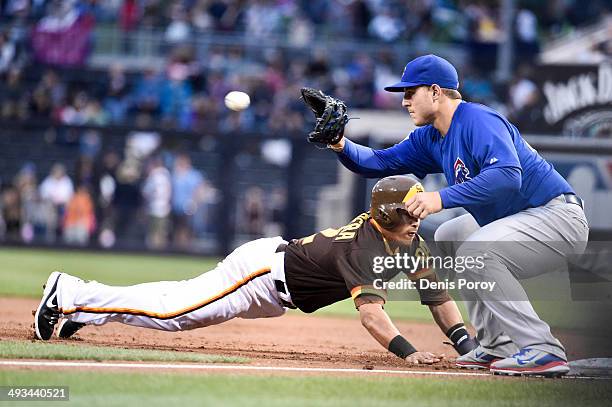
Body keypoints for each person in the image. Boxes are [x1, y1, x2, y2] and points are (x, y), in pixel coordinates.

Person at [319, 54, 589, 377]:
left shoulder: (477, 120)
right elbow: (378, 161)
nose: (404, 101)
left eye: (410, 92)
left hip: (557, 216)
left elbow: (507, 176)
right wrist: (339, 143)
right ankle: (495, 344)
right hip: (521, 217)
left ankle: (543, 348)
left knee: (478, 250)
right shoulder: (432, 136)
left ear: (435, 92)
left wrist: (439, 198)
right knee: (451, 235)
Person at [34, 176, 477, 365]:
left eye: (416, 210)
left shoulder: (408, 242)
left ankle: (85, 309)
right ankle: (70, 292)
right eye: (407, 211)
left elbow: (438, 298)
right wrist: (408, 352)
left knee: (177, 303)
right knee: (173, 312)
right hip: (262, 274)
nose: (415, 217)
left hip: (273, 288)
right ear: (384, 215)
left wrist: (466, 344)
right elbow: (371, 314)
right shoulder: (366, 246)